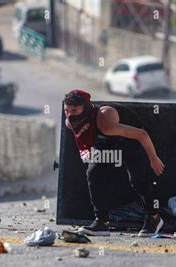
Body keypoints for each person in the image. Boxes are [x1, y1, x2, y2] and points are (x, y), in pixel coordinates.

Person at [63, 89, 165, 237]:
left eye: (74, 111)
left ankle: (154, 217)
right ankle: (102, 223)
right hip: (107, 140)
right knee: (93, 173)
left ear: (85, 108)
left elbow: (142, 135)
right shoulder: (70, 123)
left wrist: (154, 159)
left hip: (131, 138)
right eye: (66, 110)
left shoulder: (105, 120)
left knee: (137, 180)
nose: (70, 115)